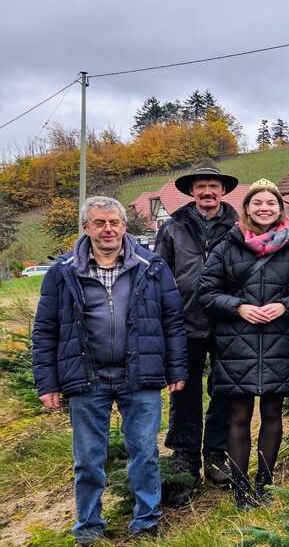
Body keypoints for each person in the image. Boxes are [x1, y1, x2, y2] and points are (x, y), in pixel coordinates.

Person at [31, 196, 187, 543]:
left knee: (145, 452)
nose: (108, 229)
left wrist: (177, 369)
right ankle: (88, 526)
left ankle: (146, 520)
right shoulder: (63, 271)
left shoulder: (153, 266)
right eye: (99, 223)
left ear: (124, 226)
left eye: (114, 223)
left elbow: (173, 322)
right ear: (85, 227)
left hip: (140, 373)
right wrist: (47, 382)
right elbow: (45, 329)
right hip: (87, 377)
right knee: (87, 460)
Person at [199, 179, 289, 508]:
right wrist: (238, 307)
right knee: (238, 415)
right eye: (257, 203)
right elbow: (206, 292)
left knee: (273, 413)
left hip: (281, 340)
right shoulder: (227, 246)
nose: (264, 208)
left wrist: (285, 305)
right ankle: (241, 490)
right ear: (247, 208)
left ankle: (265, 484)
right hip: (237, 341)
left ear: (280, 208)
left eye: (271, 203)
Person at [153, 161, 239, 492]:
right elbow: (159, 274)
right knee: (183, 393)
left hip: (227, 321)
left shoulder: (237, 224)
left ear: (223, 191)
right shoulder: (173, 226)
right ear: (191, 191)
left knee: (224, 390)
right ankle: (185, 458)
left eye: (213, 186)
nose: (207, 192)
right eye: (201, 186)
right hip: (184, 323)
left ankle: (216, 454)